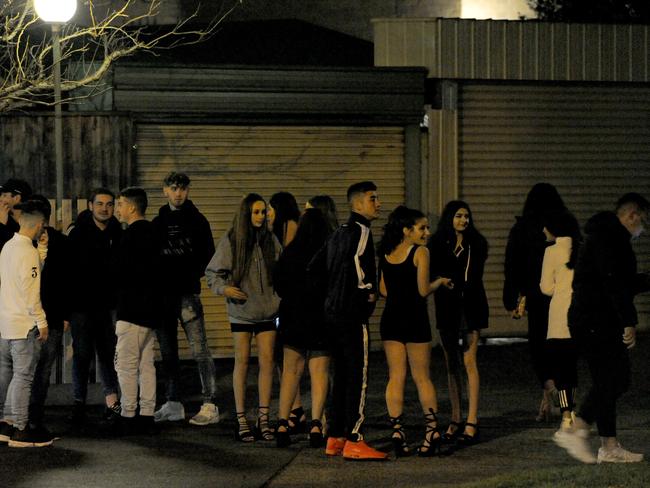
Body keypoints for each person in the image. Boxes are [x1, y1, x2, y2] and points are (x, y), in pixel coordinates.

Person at [559, 193, 650, 464]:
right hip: (596, 320)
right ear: (631, 215)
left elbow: (621, 281)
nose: (642, 229)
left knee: (605, 383)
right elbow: (614, 284)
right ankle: (578, 427)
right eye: (642, 221)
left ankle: (609, 446)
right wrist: (628, 321)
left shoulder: (605, 236)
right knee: (618, 379)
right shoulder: (611, 239)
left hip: (591, 319)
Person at [311, 181, 387, 460]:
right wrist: (367, 290)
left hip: (331, 317)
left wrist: (329, 298)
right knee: (358, 376)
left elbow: (316, 268)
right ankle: (355, 437)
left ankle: (335, 437)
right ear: (357, 204)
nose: (378, 203)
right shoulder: (361, 231)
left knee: (340, 376)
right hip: (351, 317)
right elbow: (358, 265)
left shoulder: (337, 233)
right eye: (372, 198)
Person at [206, 193, 281, 442]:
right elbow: (213, 273)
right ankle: (241, 420)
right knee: (242, 362)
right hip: (242, 311)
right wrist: (225, 289)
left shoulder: (271, 240)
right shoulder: (232, 240)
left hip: (268, 311)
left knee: (268, 363)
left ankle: (263, 418)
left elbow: (283, 269)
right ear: (246, 214)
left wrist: (279, 297)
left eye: (263, 212)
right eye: (256, 212)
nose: (260, 216)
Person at [379, 206, 453, 457]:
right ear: (406, 230)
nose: (427, 232)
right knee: (422, 377)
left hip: (391, 319)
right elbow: (422, 290)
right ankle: (431, 432)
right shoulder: (421, 252)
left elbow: (383, 289)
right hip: (414, 318)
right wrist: (440, 282)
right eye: (421, 228)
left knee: (395, 376)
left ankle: (397, 431)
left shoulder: (386, 252)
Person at [152, 172, 219, 426]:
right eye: (173, 188)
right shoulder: (158, 222)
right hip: (164, 296)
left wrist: (190, 274)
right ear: (165, 190)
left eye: (182, 188)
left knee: (200, 349)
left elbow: (208, 257)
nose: (178, 193)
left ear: (188, 190)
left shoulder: (198, 221)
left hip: (188, 293)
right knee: (169, 353)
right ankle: (173, 402)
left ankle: (210, 402)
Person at [503, 183, 567, 421]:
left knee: (539, 346)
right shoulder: (562, 226)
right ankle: (558, 402)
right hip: (561, 296)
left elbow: (512, 265)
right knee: (560, 349)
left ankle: (551, 391)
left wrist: (512, 297)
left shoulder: (522, 228)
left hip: (536, 296)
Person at [428, 200, 488, 446]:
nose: (463, 220)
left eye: (466, 216)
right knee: (451, 363)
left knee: (469, 361)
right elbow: (432, 272)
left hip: (472, 306)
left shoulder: (478, 243)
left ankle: (472, 419)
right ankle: (456, 417)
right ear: (449, 218)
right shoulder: (437, 243)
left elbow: (473, 274)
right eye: (458, 216)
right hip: (447, 307)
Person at [273, 208, 332, 448]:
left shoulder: (290, 252)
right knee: (319, 372)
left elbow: (278, 284)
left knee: (290, 372)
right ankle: (317, 424)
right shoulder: (327, 252)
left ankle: (282, 423)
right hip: (320, 317)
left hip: (293, 316)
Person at [67, 188, 122, 425]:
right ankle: (78, 403)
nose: (104, 208)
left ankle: (112, 403)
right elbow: (67, 271)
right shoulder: (77, 234)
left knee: (108, 355)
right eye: (99, 203)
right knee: (81, 356)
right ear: (90, 205)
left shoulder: (118, 232)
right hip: (81, 306)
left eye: (109, 204)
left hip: (108, 306)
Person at [0, 200, 51, 447]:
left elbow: (24, 277)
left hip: (6, 324)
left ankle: (7, 424)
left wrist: (41, 252)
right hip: (24, 325)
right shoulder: (27, 252)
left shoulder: (9, 247)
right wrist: (41, 321)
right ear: (40, 224)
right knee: (24, 377)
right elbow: (31, 291)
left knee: (10, 376)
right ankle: (21, 430)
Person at [113, 187, 161, 434]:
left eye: (120, 203)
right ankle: (147, 413)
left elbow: (120, 273)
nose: (117, 208)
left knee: (127, 365)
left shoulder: (130, 236)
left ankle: (128, 414)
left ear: (132, 207)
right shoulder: (154, 233)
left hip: (130, 310)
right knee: (146, 364)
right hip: (150, 311)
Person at [26, 196, 71, 441]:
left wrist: (64, 315)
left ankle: (34, 419)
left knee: (41, 371)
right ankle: (23, 420)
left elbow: (67, 282)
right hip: (28, 317)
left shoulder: (60, 243)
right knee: (27, 371)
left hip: (50, 315)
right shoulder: (21, 243)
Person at [539, 210, 581, 446]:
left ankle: (567, 416)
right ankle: (572, 415)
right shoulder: (581, 247)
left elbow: (546, 287)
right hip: (581, 316)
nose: (543, 231)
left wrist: (559, 289)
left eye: (546, 227)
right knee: (573, 368)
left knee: (561, 368)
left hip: (558, 317)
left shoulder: (551, 251)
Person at [268, 191, 306, 433]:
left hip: (289, 304)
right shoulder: (296, 227)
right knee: (290, 360)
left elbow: (285, 263)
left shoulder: (287, 231)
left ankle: (295, 410)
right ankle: (296, 409)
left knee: (288, 360)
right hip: (293, 302)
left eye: (270, 210)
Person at [0, 178, 32, 251]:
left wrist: (1, 226)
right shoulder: (4, 219)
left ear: (17, 198)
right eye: (1, 195)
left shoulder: (30, 224)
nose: (0, 199)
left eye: (4, 195)